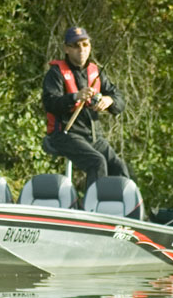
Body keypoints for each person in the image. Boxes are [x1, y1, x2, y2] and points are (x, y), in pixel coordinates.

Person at [42, 26, 129, 188]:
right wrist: (74, 97)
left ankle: (126, 210)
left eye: (85, 44)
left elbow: (120, 100)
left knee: (119, 166)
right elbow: (49, 103)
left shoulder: (96, 72)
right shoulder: (56, 73)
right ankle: (93, 206)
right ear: (66, 49)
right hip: (64, 134)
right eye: (75, 46)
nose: (81, 49)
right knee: (97, 162)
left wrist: (109, 100)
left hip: (93, 136)